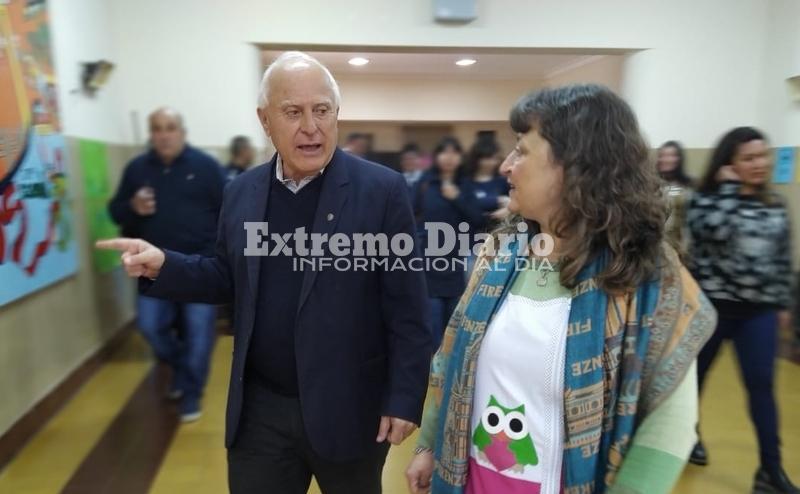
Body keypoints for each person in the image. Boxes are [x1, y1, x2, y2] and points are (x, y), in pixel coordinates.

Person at [99, 51, 431, 494]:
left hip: (351, 407)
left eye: (322, 111)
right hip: (261, 411)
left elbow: (407, 306)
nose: (311, 127)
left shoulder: (381, 191)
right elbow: (227, 276)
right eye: (293, 112)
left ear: (337, 115)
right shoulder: (241, 192)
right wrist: (167, 266)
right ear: (265, 119)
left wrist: (405, 397)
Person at [405, 84, 716, 494]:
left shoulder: (646, 274)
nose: (506, 166)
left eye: (522, 150)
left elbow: (670, 426)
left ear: (575, 166)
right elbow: (453, 359)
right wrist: (429, 443)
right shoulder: (501, 253)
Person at [686, 127, 797, 493]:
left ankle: (770, 470)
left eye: (762, 155)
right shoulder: (707, 200)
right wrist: (729, 190)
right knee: (693, 384)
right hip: (714, 310)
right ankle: (688, 438)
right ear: (729, 164)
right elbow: (710, 232)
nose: (759, 164)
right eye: (748, 158)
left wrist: (781, 303)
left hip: (758, 313)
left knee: (761, 388)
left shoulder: (774, 205)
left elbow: (782, 258)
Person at [108, 107, 224, 422]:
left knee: (199, 335)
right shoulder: (137, 169)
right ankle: (182, 370)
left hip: (200, 267)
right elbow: (116, 212)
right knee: (150, 328)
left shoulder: (206, 167)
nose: (164, 134)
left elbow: (230, 210)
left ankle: (190, 394)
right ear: (151, 134)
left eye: (170, 127)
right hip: (151, 269)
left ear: (182, 132)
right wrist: (131, 207)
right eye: (157, 128)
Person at [413, 136, 485, 348]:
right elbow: (408, 214)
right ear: (436, 157)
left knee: (455, 326)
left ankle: (450, 373)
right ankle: (431, 373)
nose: (449, 157)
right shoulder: (425, 183)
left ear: (461, 158)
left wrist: (456, 198)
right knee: (432, 324)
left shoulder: (466, 186)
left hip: (458, 263)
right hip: (428, 263)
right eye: (444, 152)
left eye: (455, 152)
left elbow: (478, 219)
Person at [656, 140, 694, 251]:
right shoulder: (652, 184)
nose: (666, 159)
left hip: (682, 244)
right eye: (662, 156)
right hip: (658, 245)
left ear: (679, 159)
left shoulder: (689, 184)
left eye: (671, 155)